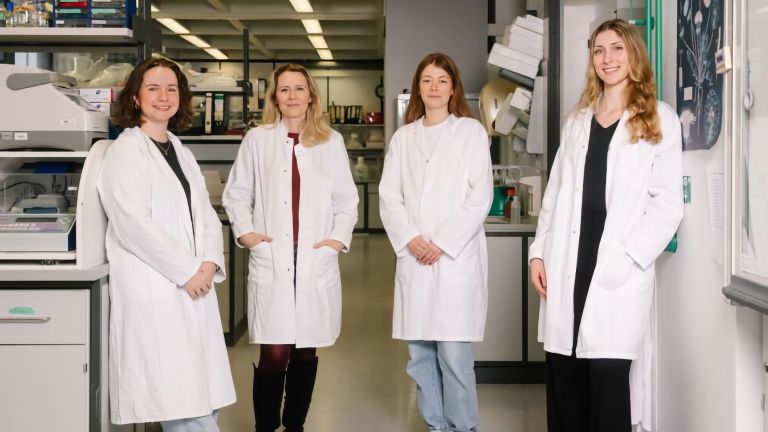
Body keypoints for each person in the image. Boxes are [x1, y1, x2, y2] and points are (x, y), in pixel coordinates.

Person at [529, 19, 683, 432]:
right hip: (568, 263)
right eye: (599, 50)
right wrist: (538, 253)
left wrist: (628, 257)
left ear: (634, 55)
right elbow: (554, 194)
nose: (607, 58)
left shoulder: (659, 118)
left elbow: (668, 206)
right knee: (566, 383)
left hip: (616, 270)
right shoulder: (577, 121)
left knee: (608, 385)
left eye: (617, 48)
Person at [97, 56, 236, 430]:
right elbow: (132, 223)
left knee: (202, 396)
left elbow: (205, 213)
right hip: (157, 289)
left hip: (193, 286)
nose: (164, 96)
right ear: (135, 97)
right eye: (154, 88)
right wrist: (188, 270)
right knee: (181, 404)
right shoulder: (126, 151)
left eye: (171, 89)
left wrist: (208, 262)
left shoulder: (179, 149)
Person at [222, 64, 358, 432]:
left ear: (311, 96)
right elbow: (236, 194)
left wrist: (336, 240)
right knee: (275, 350)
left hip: (314, 255)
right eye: (284, 89)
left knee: (305, 349)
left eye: (300, 88)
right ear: (275, 97)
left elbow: (347, 200)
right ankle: (266, 427)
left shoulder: (330, 141)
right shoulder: (258, 139)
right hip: (273, 255)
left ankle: (295, 426)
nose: (293, 96)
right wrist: (247, 234)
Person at [379, 52, 493, 432]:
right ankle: (437, 426)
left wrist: (441, 243)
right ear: (418, 87)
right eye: (427, 80)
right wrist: (412, 239)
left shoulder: (470, 133)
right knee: (420, 357)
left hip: (454, 260)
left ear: (453, 88)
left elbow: (479, 197)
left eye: (442, 81)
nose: (434, 87)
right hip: (415, 258)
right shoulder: (403, 138)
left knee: (455, 356)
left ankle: (463, 427)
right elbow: (389, 196)